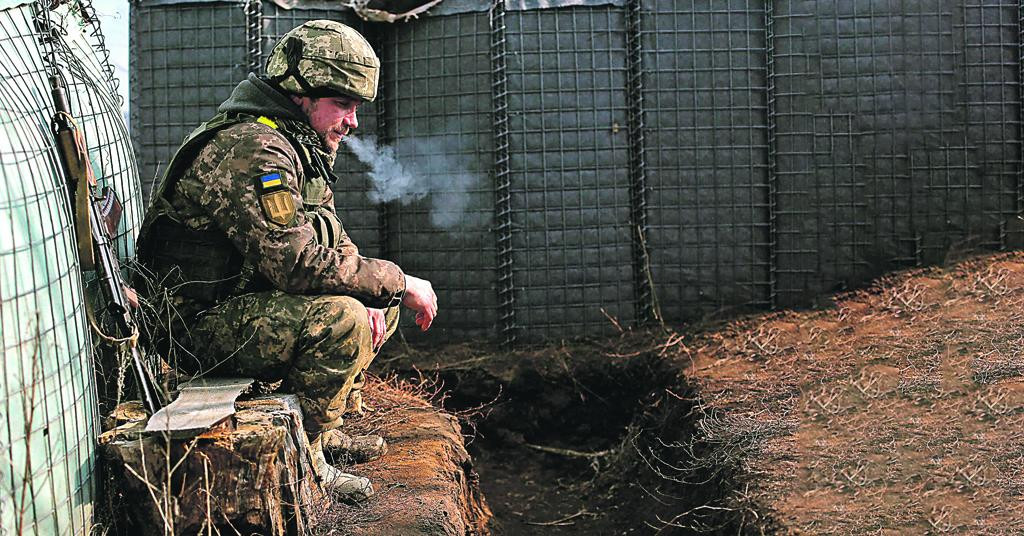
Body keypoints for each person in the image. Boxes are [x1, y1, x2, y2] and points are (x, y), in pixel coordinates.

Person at [136, 20, 438, 501]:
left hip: (242, 307)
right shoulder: (256, 149)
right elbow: (294, 263)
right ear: (301, 93)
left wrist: (383, 289)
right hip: (193, 327)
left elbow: (334, 244)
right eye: (342, 104)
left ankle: (327, 425)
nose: (353, 120)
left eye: (356, 106)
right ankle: (308, 461)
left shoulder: (299, 144)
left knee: (378, 299)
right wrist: (394, 281)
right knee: (342, 318)